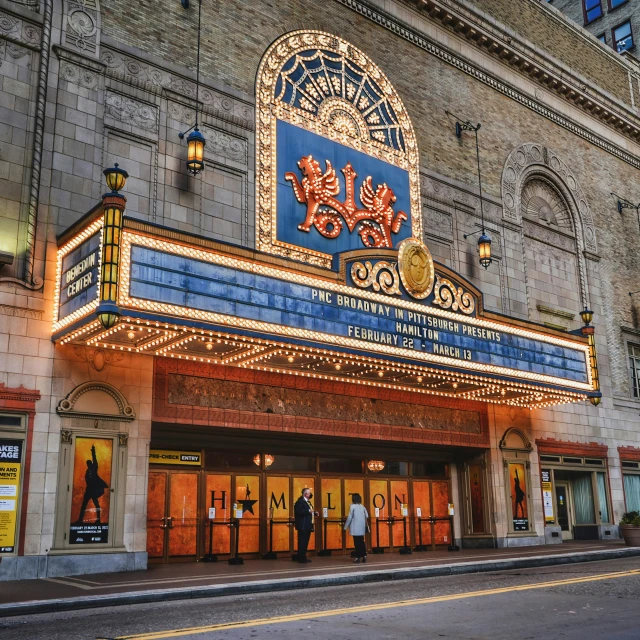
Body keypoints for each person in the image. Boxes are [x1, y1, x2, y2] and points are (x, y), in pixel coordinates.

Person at [75, 444, 109, 524]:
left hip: (94, 490)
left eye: (89, 463)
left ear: (91, 464)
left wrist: (93, 451)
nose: (88, 464)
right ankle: (80, 520)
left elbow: (94, 458)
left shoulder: (94, 468)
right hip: (89, 490)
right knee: (84, 505)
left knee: (96, 505)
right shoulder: (87, 471)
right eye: (87, 463)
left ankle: (98, 520)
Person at [294, 487, 317, 563]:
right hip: (303, 525)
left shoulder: (308, 502)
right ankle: (301, 558)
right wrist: (308, 510)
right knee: (302, 542)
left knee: (305, 542)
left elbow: (309, 512)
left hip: (308, 525)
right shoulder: (299, 502)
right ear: (305, 494)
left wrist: (314, 513)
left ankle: (303, 556)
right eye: (309, 493)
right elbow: (298, 512)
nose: (310, 494)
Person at [344, 493, 369, 563]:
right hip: (362, 527)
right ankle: (364, 555)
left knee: (357, 542)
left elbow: (349, 517)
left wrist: (345, 527)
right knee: (361, 541)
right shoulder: (362, 507)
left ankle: (358, 557)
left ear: (353, 499)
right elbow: (367, 515)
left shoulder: (352, 507)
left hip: (355, 527)